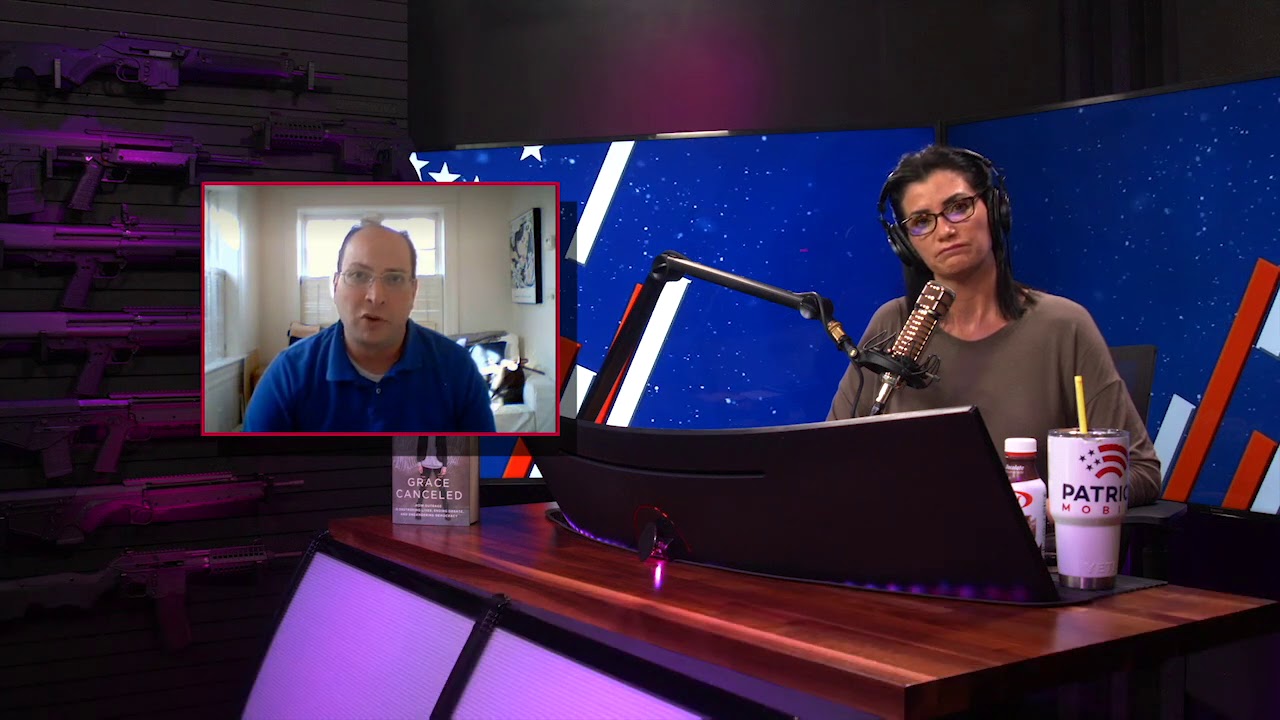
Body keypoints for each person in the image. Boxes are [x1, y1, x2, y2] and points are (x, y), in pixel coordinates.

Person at [826, 145, 1161, 507]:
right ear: (905, 244)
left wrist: (1049, 507)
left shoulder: (1064, 325)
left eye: (958, 207)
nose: (945, 230)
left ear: (995, 209)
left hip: (1032, 540)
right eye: (921, 221)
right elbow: (827, 461)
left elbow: (1140, 472)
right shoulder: (893, 324)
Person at [243, 219, 496, 432]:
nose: (376, 296)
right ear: (335, 286)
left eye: (394, 278)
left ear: (413, 291)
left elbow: (486, 469)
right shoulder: (288, 374)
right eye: (358, 275)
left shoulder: (458, 369)